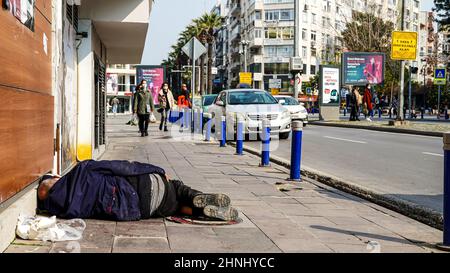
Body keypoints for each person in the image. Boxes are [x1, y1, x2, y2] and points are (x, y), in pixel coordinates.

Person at [37, 160, 239, 221]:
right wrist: (157, 169)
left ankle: (202, 211)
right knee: (176, 187)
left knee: (173, 207)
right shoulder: (83, 170)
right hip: (143, 186)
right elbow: (125, 167)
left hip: (139, 210)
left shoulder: (64, 211)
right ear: (56, 179)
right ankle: (197, 198)